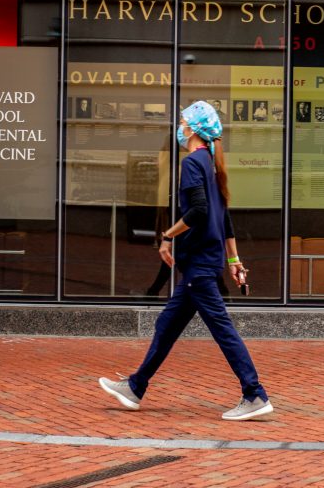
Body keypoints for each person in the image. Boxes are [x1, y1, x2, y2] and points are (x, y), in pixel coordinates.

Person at [99, 100, 273, 421]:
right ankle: (135, 387)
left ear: (192, 129)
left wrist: (168, 235)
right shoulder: (211, 163)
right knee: (167, 325)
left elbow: (199, 211)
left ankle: (255, 394)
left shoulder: (193, 163)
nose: (180, 127)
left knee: (223, 330)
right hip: (203, 263)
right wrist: (234, 259)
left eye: (183, 122)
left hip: (199, 265)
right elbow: (224, 219)